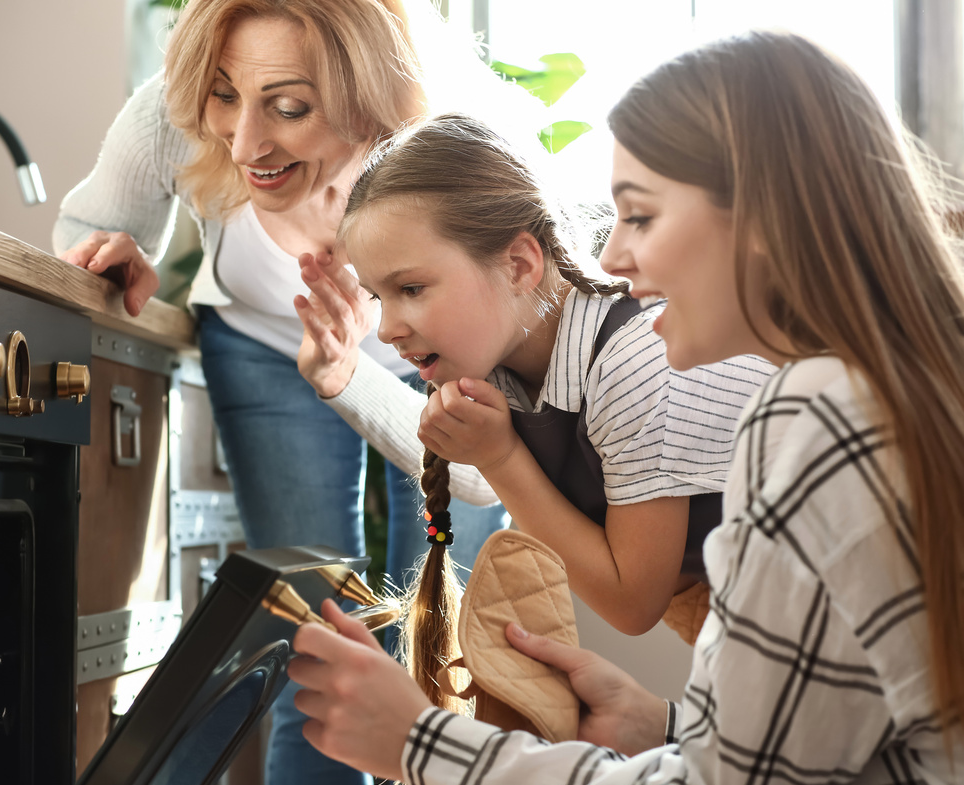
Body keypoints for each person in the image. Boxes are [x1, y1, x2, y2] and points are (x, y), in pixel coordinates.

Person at [287, 30, 964, 785]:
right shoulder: (857, 398)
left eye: (639, 217)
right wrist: (667, 727)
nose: (609, 258)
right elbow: (823, 744)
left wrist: (425, 745)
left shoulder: (814, 418)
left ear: (764, 222)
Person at [50, 1, 521, 785]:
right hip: (267, 354)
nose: (244, 144)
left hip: (449, 366)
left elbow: (484, 471)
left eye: (291, 107)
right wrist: (106, 255)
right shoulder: (180, 104)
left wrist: (351, 374)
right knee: (320, 642)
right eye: (226, 97)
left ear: (370, 96)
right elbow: (88, 226)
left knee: (446, 651)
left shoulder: (460, 144)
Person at [295, 112, 771, 659]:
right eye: (380, 297)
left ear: (520, 264)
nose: (386, 328)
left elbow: (632, 603)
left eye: (412, 287)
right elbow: (473, 478)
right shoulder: (502, 350)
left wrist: (500, 457)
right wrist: (340, 375)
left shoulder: (635, 358)